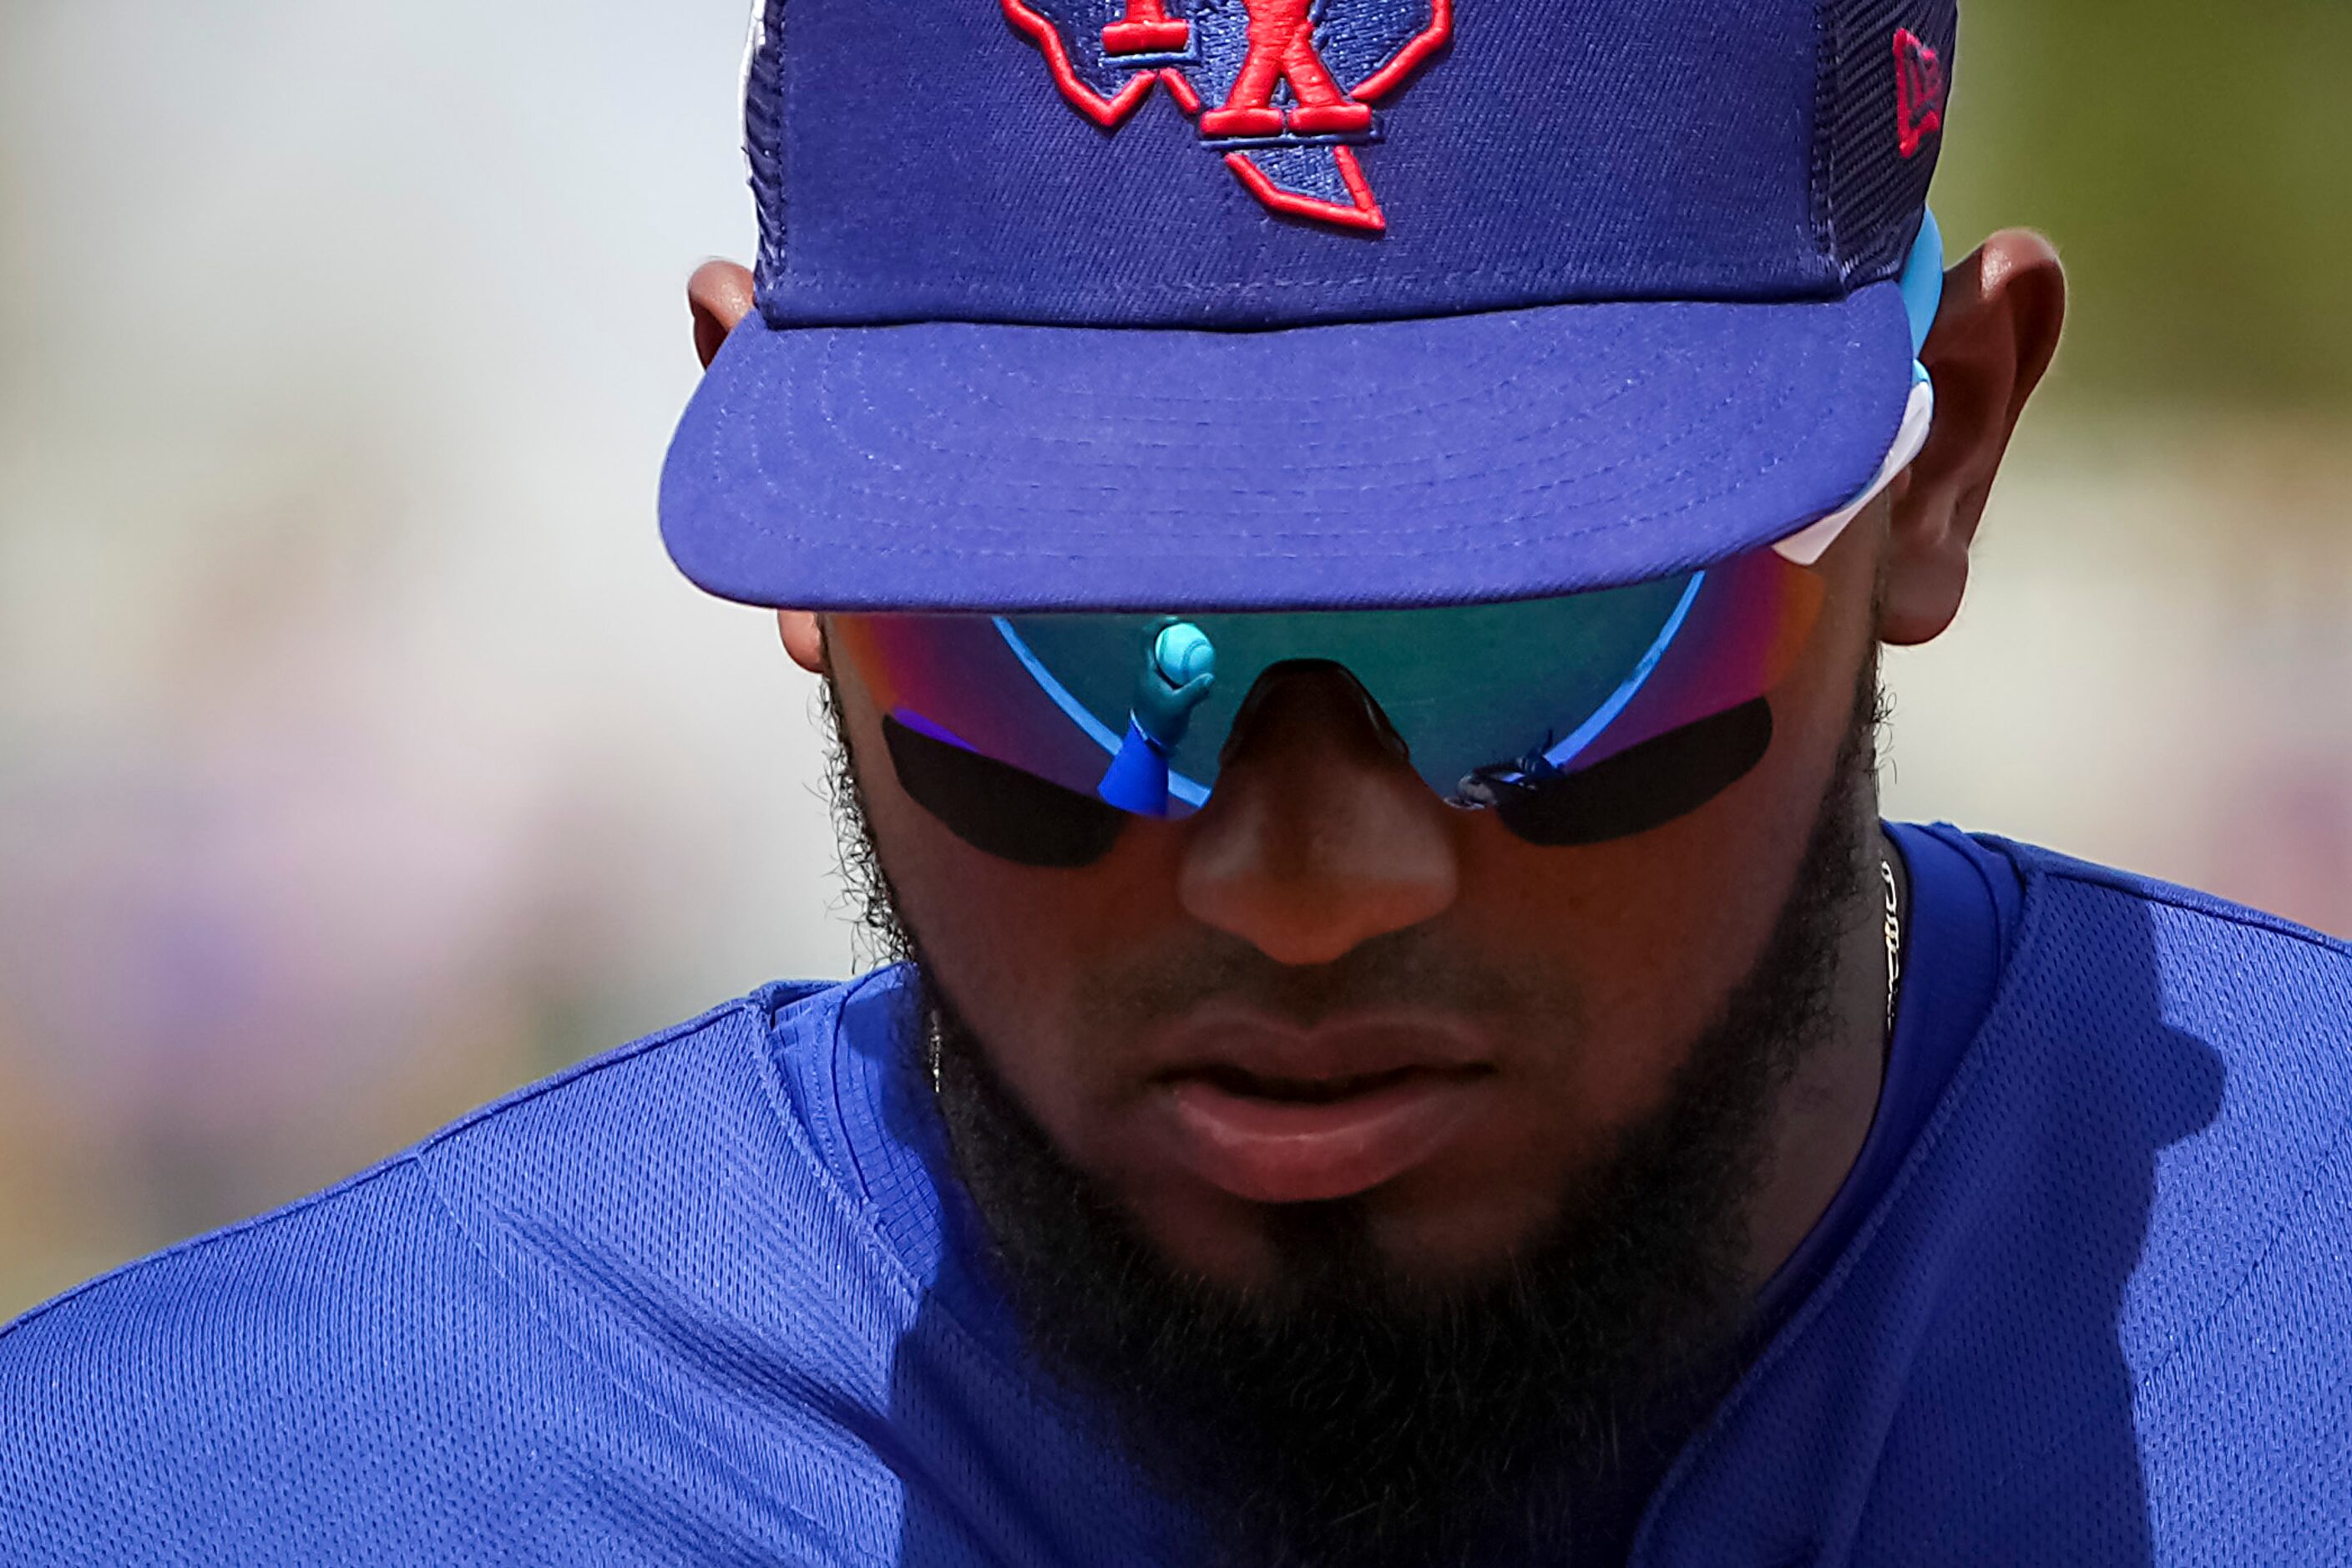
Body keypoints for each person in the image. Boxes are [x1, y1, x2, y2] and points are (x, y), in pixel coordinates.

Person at [5, 2, 2350, 1564]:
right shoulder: (205, 1499)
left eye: (1531, 623)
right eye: (1069, 631)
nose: (1299, 883)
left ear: (1943, 454)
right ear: (787, 507)